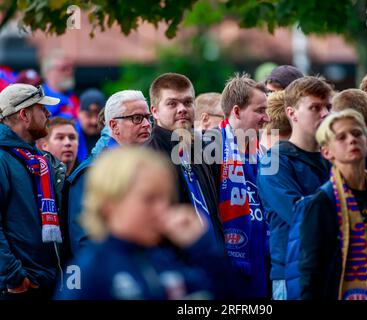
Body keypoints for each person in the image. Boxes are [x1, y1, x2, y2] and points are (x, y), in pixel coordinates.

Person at [55, 147, 233, 300]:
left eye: (166, 199)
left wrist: (204, 247)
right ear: (110, 204)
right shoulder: (88, 271)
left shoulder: (165, 261)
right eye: (149, 199)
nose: (162, 210)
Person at [286, 109, 367, 300]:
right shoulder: (322, 203)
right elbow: (311, 274)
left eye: (357, 133)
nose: (352, 140)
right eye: (341, 137)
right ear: (326, 151)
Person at [257, 76, 332, 299]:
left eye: (328, 106)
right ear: (292, 113)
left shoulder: (334, 157)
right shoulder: (274, 161)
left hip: (334, 267)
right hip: (292, 272)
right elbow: (300, 213)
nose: (325, 114)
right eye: (315, 108)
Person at [206, 73, 270, 298]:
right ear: (236, 111)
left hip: (263, 262)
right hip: (229, 264)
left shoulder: (263, 153)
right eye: (260, 110)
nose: (267, 118)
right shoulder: (208, 148)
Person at [0, 84, 67, 299]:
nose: (48, 113)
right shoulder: (2, 158)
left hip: (45, 281)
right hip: (20, 288)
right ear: (24, 115)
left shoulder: (39, 160)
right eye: (42, 109)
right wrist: (13, 276)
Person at [67, 90, 151, 256]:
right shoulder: (91, 172)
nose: (147, 124)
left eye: (148, 117)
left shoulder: (146, 166)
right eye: (137, 118)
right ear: (113, 126)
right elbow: (84, 239)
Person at [148, 73, 224, 247]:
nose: (182, 109)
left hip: (212, 255)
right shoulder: (149, 157)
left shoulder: (201, 149)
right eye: (172, 103)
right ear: (155, 111)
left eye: (188, 102)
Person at [41, 50, 80, 119]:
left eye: (71, 68)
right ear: (48, 72)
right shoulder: (39, 98)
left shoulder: (74, 97)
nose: (69, 72)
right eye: (63, 68)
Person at [76, 88, 105, 161]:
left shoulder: (113, 139)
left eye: (99, 116)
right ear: (78, 113)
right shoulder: (68, 138)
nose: (94, 121)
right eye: (89, 115)